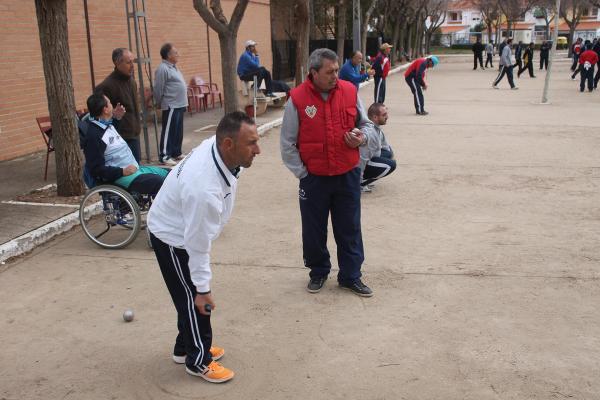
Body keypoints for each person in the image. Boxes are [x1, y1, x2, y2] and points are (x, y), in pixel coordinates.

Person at [147, 111, 261, 383]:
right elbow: (197, 246)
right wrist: (204, 290)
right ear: (228, 145)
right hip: (172, 236)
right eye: (251, 143)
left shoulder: (220, 149)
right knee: (195, 300)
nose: (258, 149)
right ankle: (198, 360)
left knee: (186, 295)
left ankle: (183, 347)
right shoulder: (203, 189)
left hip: (182, 224)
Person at [280, 48, 373, 297]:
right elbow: (287, 142)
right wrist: (303, 174)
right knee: (313, 230)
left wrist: (361, 138)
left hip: (347, 174)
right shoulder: (298, 99)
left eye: (336, 70)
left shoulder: (350, 91)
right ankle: (318, 272)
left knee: (350, 228)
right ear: (314, 73)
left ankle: (351, 276)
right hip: (314, 179)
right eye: (329, 71)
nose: (335, 75)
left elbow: (367, 125)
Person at [81, 92, 168, 196]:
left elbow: (110, 140)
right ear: (105, 109)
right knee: (159, 182)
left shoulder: (107, 125)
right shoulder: (94, 136)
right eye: (109, 103)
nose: (111, 104)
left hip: (135, 169)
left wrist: (117, 118)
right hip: (122, 176)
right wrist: (122, 171)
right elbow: (96, 169)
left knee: (171, 174)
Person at [96, 48, 142, 162]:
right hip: (119, 139)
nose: (132, 65)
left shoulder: (131, 81)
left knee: (137, 169)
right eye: (128, 62)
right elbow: (99, 116)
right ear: (117, 63)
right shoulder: (106, 86)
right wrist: (114, 115)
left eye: (133, 61)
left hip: (134, 134)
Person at [154, 43, 188, 166]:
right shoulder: (163, 68)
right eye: (175, 52)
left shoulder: (173, 67)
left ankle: (176, 152)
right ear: (168, 55)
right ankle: (164, 155)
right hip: (171, 104)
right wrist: (158, 102)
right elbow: (158, 88)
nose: (178, 54)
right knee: (168, 131)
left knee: (178, 130)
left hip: (179, 104)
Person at [359, 103, 396, 193]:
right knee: (390, 165)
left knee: (388, 153)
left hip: (370, 157)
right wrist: (357, 181)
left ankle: (363, 179)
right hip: (360, 164)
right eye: (384, 115)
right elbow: (361, 159)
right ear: (375, 117)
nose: (387, 117)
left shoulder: (377, 129)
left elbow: (386, 147)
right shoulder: (371, 133)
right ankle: (360, 184)